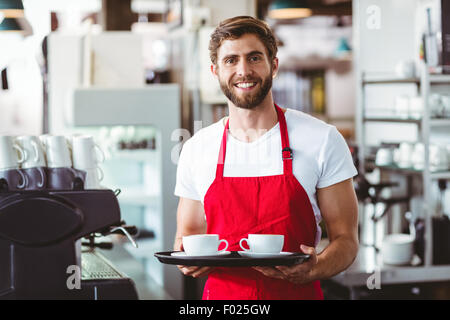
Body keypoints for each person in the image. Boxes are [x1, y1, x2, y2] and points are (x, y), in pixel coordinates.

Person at [173, 16, 358, 300]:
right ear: (215, 71)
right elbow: (186, 239)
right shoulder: (197, 148)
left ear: (274, 65)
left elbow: (346, 241)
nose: (243, 71)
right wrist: (188, 261)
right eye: (231, 60)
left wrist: (315, 267)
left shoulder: (322, 139)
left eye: (254, 58)